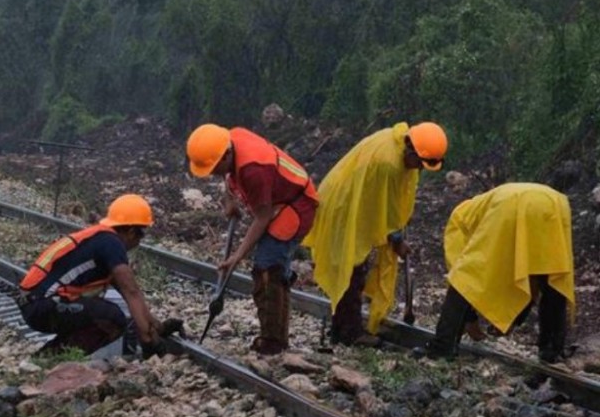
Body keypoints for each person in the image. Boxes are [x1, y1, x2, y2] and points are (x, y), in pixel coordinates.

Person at [303, 121, 448, 346]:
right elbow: (386, 212)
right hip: (344, 207)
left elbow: (391, 201)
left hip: (356, 202)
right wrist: (397, 240)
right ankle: (350, 333)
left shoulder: (397, 141)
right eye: (418, 163)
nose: (418, 169)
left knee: (354, 268)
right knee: (350, 269)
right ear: (411, 149)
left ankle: (341, 328)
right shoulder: (389, 165)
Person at [186, 123, 318, 355]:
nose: (214, 173)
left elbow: (262, 216)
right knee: (269, 266)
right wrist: (229, 200)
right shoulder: (229, 140)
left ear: (226, 155)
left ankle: (273, 341)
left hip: (296, 205)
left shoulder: (253, 169)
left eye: (215, 168)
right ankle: (276, 335)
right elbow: (227, 174)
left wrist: (236, 257)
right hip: (279, 200)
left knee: (268, 268)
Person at [424, 183, 575, 362]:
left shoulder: (458, 221)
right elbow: (527, 276)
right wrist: (514, 320)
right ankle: (552, 350)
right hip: (556, 203)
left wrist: (469, 320)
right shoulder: (482, 207)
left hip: (511, 205)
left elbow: (463, 280)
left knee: (465, 275)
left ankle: (442, 347)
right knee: (550, 273)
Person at [17, 193, 168, 354]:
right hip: (43, 306)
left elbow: (129, 293)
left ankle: (47, 358)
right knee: (112, 319)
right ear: (131, 232)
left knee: (103, 313)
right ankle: (50, 360)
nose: (139, 242)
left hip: (37, 305)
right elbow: (132, 292)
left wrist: (156, 325)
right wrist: (148, 342)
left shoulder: (101, 241)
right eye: (141, 234)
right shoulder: (112, 243)